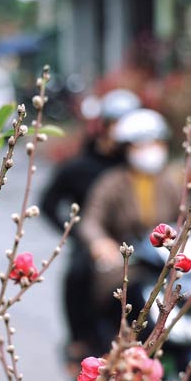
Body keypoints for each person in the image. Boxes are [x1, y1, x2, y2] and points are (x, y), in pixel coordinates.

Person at [39, 88, 141, 360]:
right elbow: (48, 203)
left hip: (134, 241)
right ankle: (79, 340)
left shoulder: (136, 166)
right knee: (78, 273)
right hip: (93, 242)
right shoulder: (78, 167)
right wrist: (74, 235)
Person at [76, 108, 185, 352]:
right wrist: (100, 243)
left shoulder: (171, 181)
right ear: (127, 149)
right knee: (132, 302)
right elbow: (91, 221)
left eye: (154, 143)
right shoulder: (111, 182)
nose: (149, 151)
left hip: (165, 265)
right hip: (127, 267)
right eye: (140, 145)